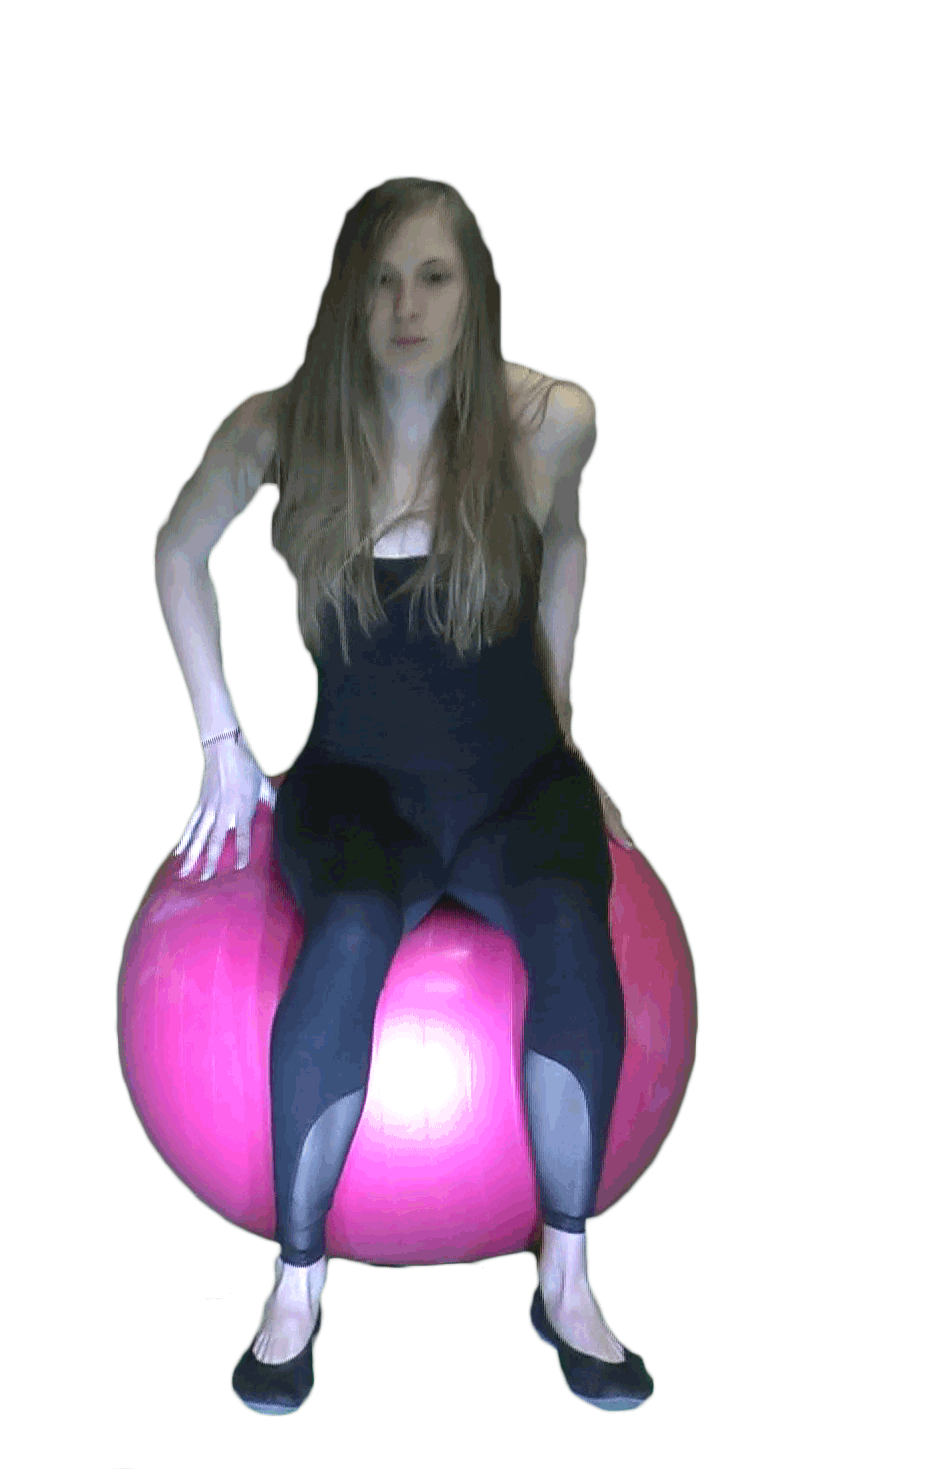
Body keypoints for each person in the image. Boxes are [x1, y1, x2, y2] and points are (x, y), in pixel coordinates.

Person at [154, 177, 653, 1413]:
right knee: (353, 926)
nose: (406, 306)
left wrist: (568, 725)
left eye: (432, 277)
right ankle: (296, 1283)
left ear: (474, 292)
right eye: (381, 279)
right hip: (356, 790)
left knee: (568, 923)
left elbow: (566, 546)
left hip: (515, 781)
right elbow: (176, 546)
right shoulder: (282, 428)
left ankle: (567, 1279)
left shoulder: (548, 420)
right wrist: (219, 739)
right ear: (347, 295)